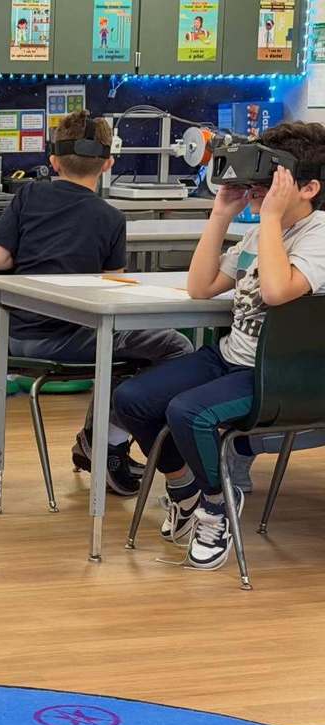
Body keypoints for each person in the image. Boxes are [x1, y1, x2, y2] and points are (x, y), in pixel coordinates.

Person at [113, 122, 325, 571]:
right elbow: (201, 286)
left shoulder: (317, 235)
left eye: (272, 185)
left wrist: (268, 218)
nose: (260, 193)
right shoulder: (260, 233)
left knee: (189, 412)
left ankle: (218, 505)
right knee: (132, 399)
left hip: (282, 377)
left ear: (307, 188)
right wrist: (221, 215)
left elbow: (276, 291)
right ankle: (184, 488)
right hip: (233, 358)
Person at [0, 110, 193, 496]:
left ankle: (98, 440)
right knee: (174, 347)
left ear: (52, 161)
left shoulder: (27, 195)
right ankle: (107, 441)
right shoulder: (110, 217)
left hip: (11, 336)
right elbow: (109, 285)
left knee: (126, 346)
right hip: (71, 336)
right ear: (109, 164)